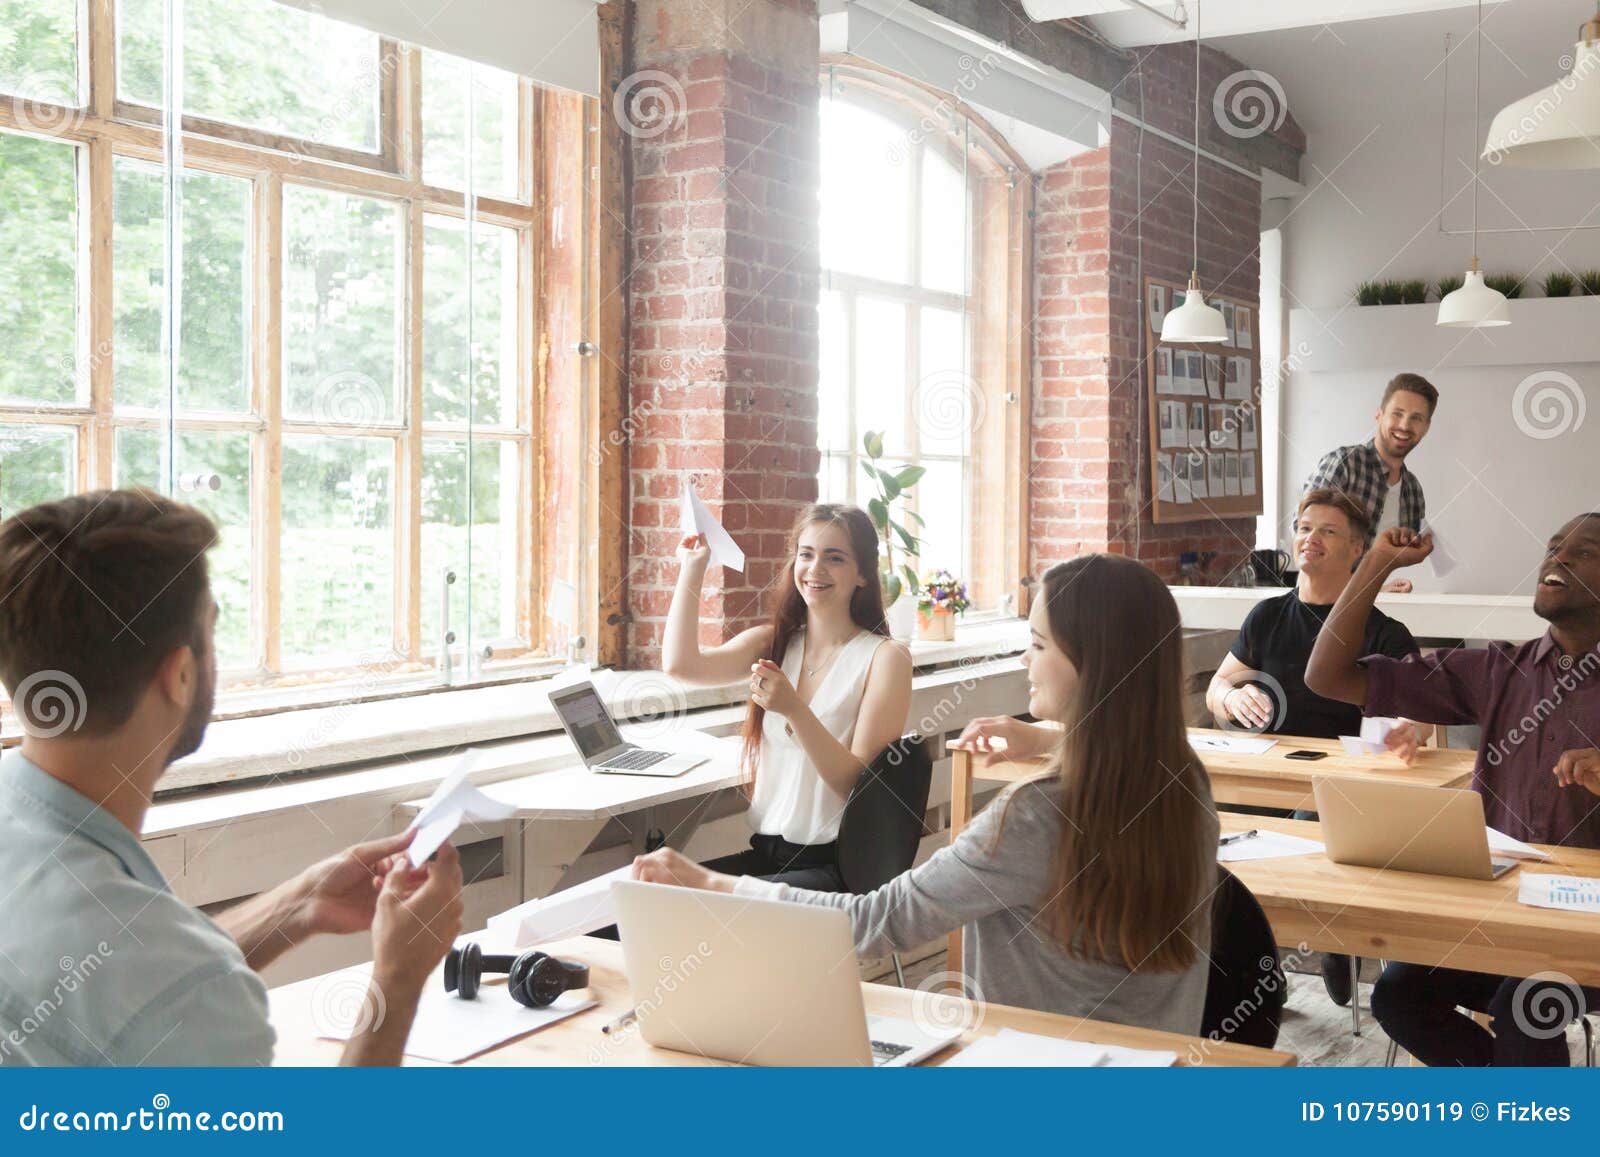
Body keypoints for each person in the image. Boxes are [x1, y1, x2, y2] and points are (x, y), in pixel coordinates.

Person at [635, 555, 1220, 1033]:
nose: (1025, 659)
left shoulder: (1035, 817)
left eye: (1039, 645)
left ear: (1092, 666)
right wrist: (1045, 735)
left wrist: (711, 884)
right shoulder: (1181, 780)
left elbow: (873, 921)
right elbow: (1120, 736)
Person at [0, 490, 463, 1066]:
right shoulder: (183, 993)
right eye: (211, 633)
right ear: (182, 675)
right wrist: (397, 979)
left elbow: (140, 986)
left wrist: (298, 905)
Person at [1306, 515, 1600, 1066]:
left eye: (1582, 553)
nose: (1555, 559)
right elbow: (1327, 677)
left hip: (1585, 933)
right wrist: (1373, 565)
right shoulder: (1498, 669)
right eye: (1553, 546)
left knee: (1526, 1007)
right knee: (1399, 995)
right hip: (1498, 919)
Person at [1206, 488, 1425, 1007]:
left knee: (1304, 827)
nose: (1311, 539)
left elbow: (1421, 712)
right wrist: (1233, 698)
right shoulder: (1266, 616)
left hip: (1344, 794)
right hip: (1264, 780)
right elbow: (1218, 688)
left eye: (1328, 531)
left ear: (1356, 551)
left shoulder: (1386, 632)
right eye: (1305, 528)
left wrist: (1409, 728)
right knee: (1211, 838)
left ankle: (1326, 936)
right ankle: (1258, 971)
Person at [660, 503, 912, 890]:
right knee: (649, 895)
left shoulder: (885, 658)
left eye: (835, 558)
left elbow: (857, 788)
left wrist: (795, 710)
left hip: (836, 870)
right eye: (806, 554)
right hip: (767, 859)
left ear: (862, 574)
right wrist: (692, 567)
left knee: (687, 907)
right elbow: (682, 666)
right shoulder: (774, 643)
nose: (815, 569)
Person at [1302, 372, 1437, 592]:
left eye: (1416, 418)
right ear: (1379, 415)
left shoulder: (1413, 491)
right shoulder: (1344, 464)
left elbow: (1378, 562)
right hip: (1320, 606)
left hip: (1364, 606)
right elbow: (1305, 535)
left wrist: (1380, 588)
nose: (1404, 425)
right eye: (1397, 413)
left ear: (1426, 427)